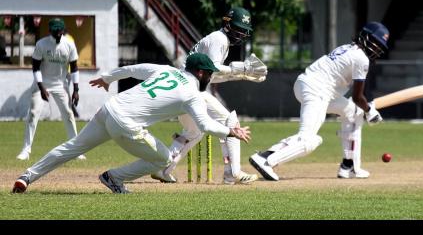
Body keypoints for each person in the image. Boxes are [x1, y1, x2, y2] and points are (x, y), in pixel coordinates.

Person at [12, 53, 253, 194]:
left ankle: (27, 177)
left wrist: (107, 78)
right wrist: (232, 131)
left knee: (72, 147)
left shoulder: (166, 70)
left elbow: (132, 69)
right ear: (201, 73)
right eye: (209, 74)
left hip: (108, 109)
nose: (210, 78)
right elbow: (205, 125)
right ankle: (113, 177)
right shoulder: (192, 93)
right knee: (163, 159)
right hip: (125, 124)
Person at [249, 22, 390, 180]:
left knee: (352, 111)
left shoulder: (348, 47)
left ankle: (349, 166)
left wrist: (365, 110)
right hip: (318, 91)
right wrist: (371, 112)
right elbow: (358, 97)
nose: (376, 49)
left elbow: (356, 101)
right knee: (309, 139)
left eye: (380, 47)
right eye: (375, 43)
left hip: (307, 84)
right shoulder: (362, 59)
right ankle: (266, 159)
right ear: (366, 37)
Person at [163, 7, 267, 185]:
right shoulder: (219, 39)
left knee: (193, 133)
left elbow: (212, 75)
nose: (241, 34)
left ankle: (163, 169)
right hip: (191, 91)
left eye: (244, 31)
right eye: (239, 29)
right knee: (230, 120)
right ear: (227, 24)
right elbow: (215, 67)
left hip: (184, 91)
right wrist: (242, 68)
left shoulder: (219, 39)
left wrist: (242, 75)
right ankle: (232, 173)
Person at [16, 18, 86, 161]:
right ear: (50, 31)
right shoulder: (41, 44)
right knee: (33, 113)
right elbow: (35, 67)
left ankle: (76, 150)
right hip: (42, 83)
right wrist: (41, 87)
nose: (58, 35)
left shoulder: (69, 44)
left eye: (60, 32)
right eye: (55, 32)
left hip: (61, 84)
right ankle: (26, 150)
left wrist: (76, 89)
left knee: (68, 114)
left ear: (63, 31)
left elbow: (74, 68)